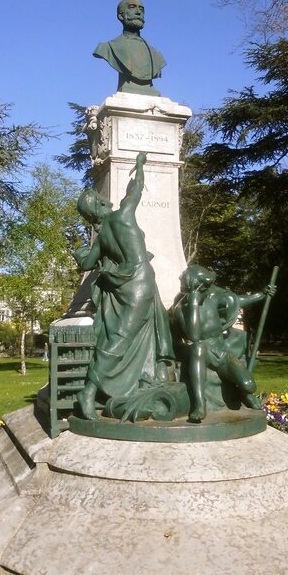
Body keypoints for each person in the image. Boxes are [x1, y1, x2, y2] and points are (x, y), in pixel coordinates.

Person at [74, 151, 174, 420]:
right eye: (101, 200)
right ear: (99, 207)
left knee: (130, 336)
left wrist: (79, 253)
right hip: (140, 283)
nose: (106, 200)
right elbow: (138, 188)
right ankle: (89, 391)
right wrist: (139, 165)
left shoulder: (101, 237)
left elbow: (86, 265)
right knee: (122, 339)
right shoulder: (124, 214)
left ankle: (142, 379)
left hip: (127, 287)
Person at [172, 265, 276, 422]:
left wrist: (260, 295)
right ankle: (200, 404)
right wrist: (193, 304)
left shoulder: (212, 297)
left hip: (221, 353)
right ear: (195, 287)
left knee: (249, 385)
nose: (207, 290)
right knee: (198, 347)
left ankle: (244, 393)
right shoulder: (181, 308)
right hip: (201, 351)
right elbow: (194, 335)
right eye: (203, 287)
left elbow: (234, 300)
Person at [93, 0, 166, 95]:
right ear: (121, 16)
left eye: (141, 9)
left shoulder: (157, 56)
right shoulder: (107, 47)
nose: (138, 12)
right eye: (132, 7)